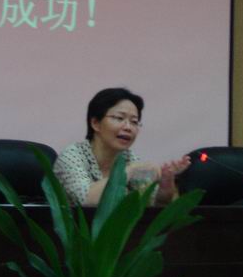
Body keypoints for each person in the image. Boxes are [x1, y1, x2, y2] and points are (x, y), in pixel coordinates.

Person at [54, 87, 191, 206]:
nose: (128, 127)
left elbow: (152, 205)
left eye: (134, 122)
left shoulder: (130, 158)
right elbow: (85, 199)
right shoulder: (72, 156)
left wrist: (165, 184)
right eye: (119, 118)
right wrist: (129, 171)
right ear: (96, 123)